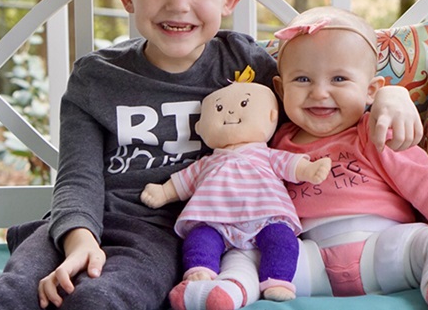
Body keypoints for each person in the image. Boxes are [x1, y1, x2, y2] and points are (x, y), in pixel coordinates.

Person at [0, 0, 421, 310]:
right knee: (15, 293)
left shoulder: (248, 64)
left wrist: (392, 95)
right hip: (81, 220)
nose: (178, 4)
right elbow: (77, 178)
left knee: (101, 298)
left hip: (167, 234)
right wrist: (80, 240)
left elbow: (323, 89)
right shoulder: (97, 78)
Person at [272, 7, 428, 310]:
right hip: (311, 261)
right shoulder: (276, 144)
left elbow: (425, 178)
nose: (320, 93)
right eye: (303, 79)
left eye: (339, 79)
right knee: (250, 256)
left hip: (383, 250)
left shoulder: (374, 132)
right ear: (280, 89)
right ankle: (226, 288)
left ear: (371, 90)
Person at [141, 78, 332, 305]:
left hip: (265, 217)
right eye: (219, 108)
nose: (230, 111)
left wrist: (308, 169)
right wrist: (163, 191)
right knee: (199, 239)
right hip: (215, 220)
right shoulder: (207, 162)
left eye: (243, 105)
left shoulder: (266, 154)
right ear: (201, 128)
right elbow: (183, 182)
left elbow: (291, 166)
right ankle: (200, 270)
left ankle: (277, 280)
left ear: (272, 116)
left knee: (282, 240)